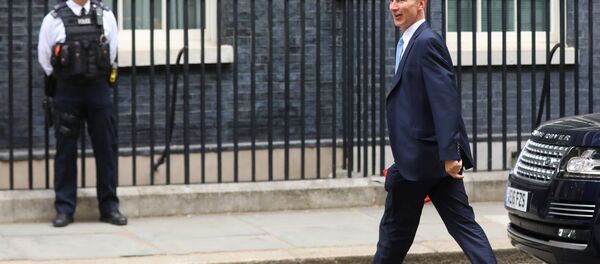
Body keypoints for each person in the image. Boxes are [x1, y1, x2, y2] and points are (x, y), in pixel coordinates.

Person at [373, 0, 497, 263]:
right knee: (464, 226)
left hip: (420, 162)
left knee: (394, 235)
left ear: (420, 4)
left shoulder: (426, 41)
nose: (394, 7)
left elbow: (445, 100)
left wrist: (451, 154)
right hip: (435, 160)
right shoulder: (411, 42)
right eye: (391, 0)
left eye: (401, 0)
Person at [38, 0, 126, 227]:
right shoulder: (53, 19)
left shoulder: (106, 16)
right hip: (67, 91)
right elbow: (45, 58)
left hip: (98, 90)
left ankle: (109, 207)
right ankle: (65, 209)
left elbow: (112, 51)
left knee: (106, 148)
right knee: (65, 151)